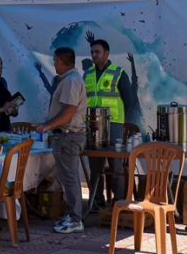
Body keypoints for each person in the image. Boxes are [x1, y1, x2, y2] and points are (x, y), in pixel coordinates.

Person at [36, 47, 88, 234]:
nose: (53, 64)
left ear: (60, 61)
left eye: (54, 60)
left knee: (70, 177)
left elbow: (69, 110)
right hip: (66, 135)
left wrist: (48, 125)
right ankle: (72, 214)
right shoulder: (69, 79)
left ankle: (75, 218)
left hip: (68, 135)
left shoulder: (71, 81)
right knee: (67, 177)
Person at [84, 39, 127, 206]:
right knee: (95, 167)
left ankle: (118, 201)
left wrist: (121, 121)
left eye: (97, 52)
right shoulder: (87, 74)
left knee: (116, 165)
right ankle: (97, 201)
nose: (94, 55)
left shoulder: (118, 72)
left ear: (107, 54)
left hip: (114, 124)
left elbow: (128, 99)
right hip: (93, 125)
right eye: (92, 52)